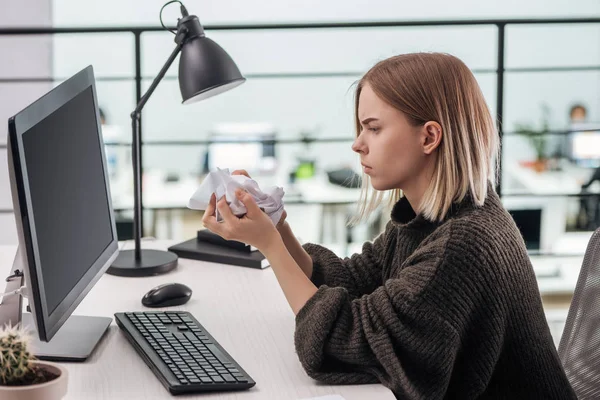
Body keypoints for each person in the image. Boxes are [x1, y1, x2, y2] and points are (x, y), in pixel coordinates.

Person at [201, 53, 576, 399]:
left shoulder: (463, 244)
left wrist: (269, 247)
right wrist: (277, 225)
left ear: (428, 136)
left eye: (374, 128)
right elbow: (351, 281)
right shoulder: (433, 214)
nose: (357, 144)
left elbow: (344, 340)